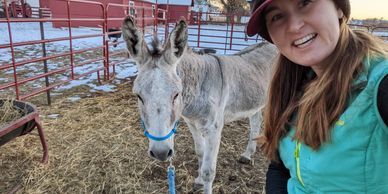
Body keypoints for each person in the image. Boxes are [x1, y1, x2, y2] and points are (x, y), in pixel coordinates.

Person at [246, 0, 388, 193]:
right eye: (277, 16)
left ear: (339, 7)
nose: (295, 26)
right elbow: (279, 167)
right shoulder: (292, 85)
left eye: (305, 2)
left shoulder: (381, 85)